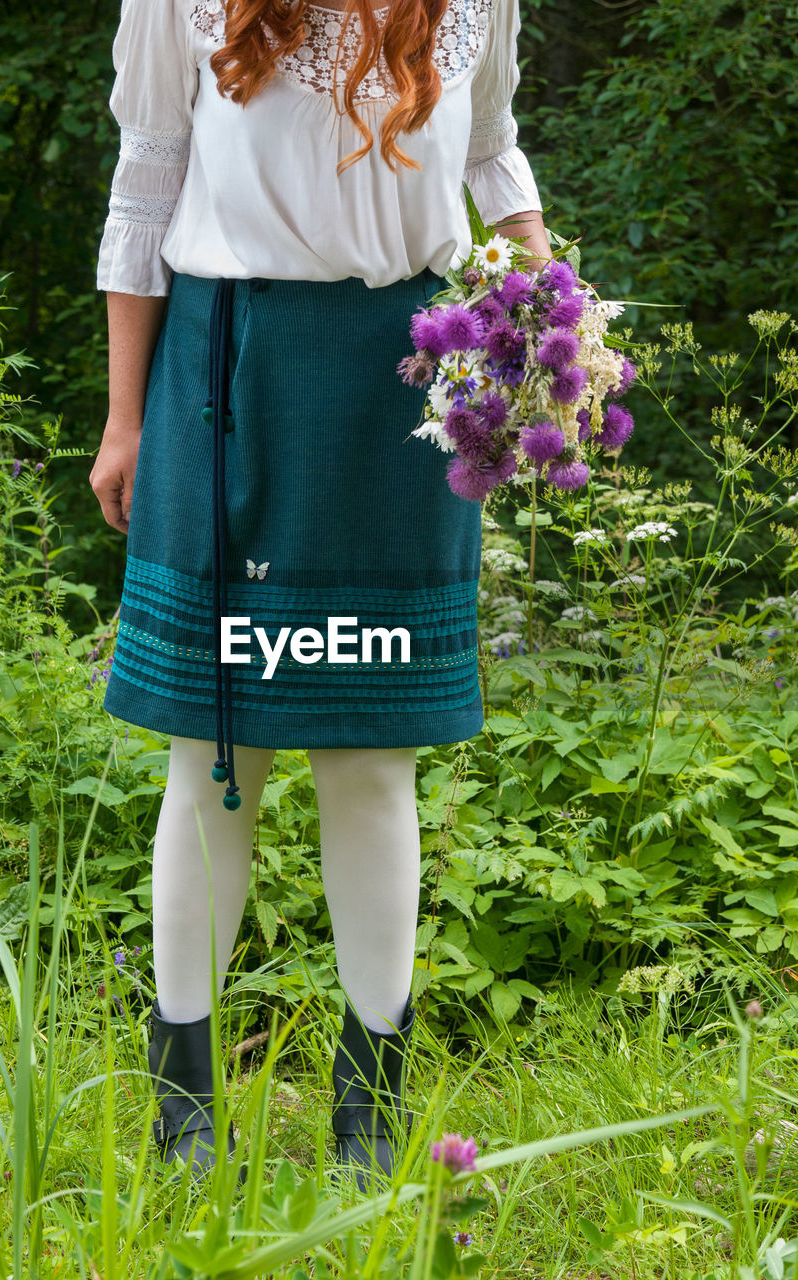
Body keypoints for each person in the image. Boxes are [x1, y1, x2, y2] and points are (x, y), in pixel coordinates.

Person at [90, 0, 550, 1190]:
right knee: (211, 751)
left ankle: (371, 1102)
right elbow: (146, 181)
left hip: (408, 376)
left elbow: (494, 143)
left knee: (373, 755)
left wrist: (549, 301)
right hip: (223, 368)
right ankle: (183, 1101)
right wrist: (124, 417)